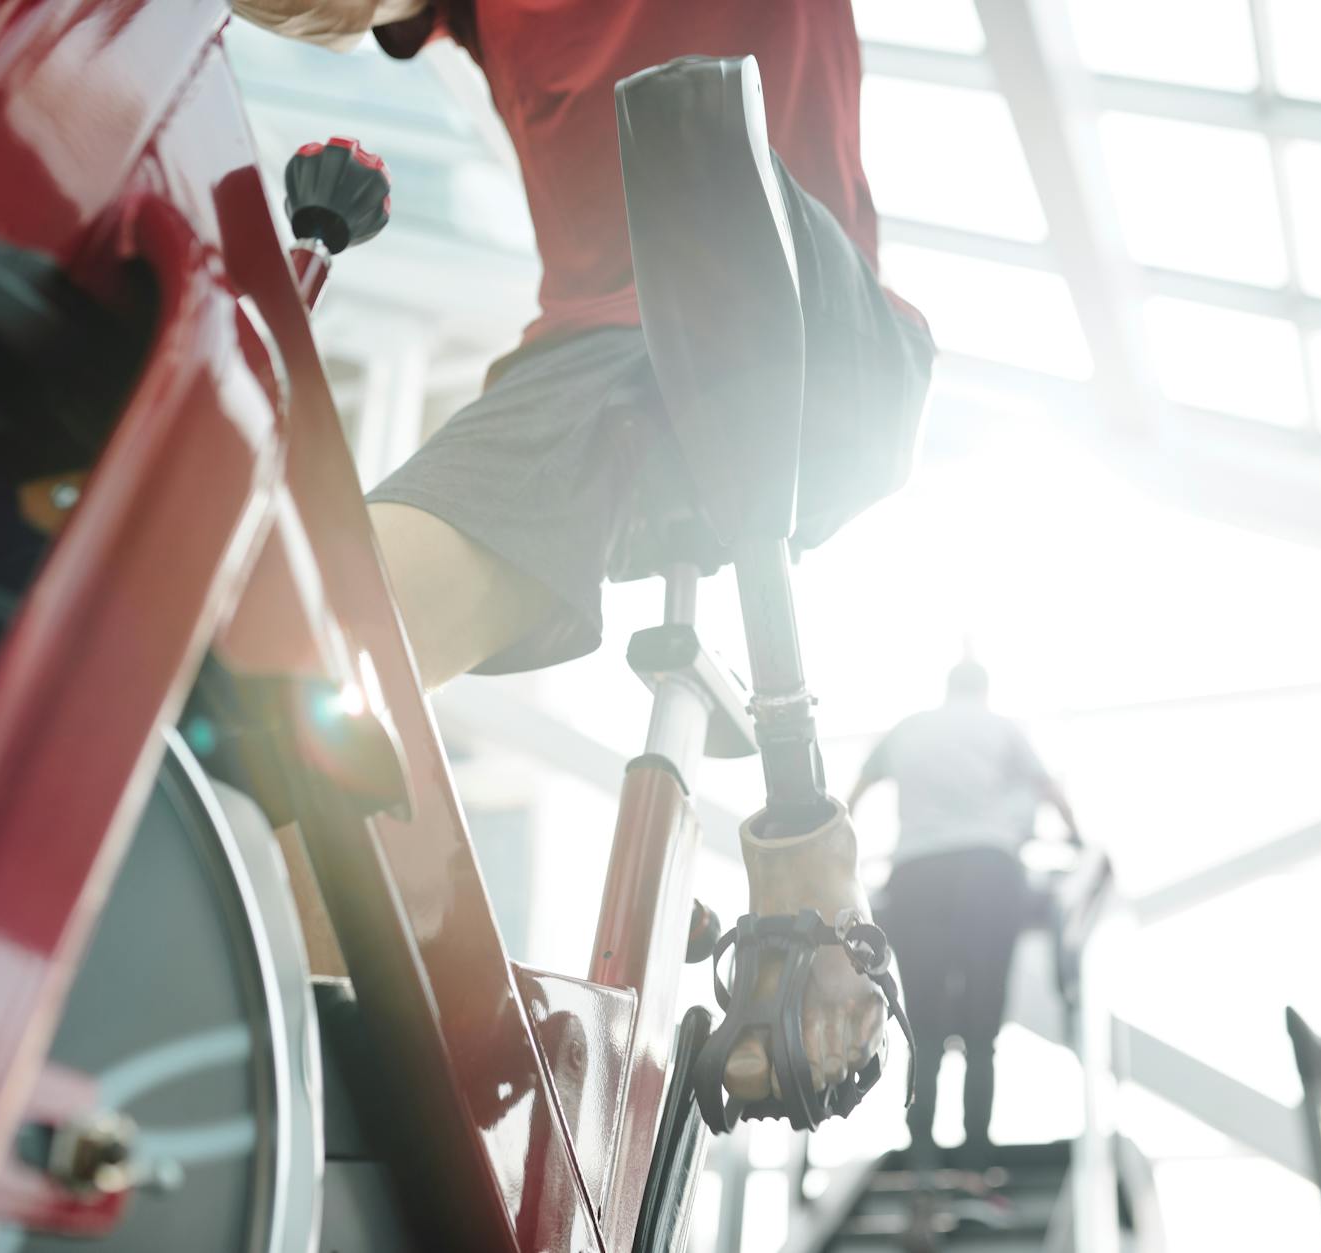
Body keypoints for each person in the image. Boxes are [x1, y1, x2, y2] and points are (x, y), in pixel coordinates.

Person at [230, 0, 935, 1108]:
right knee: (285, 663)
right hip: (589, 365)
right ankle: (326, 1079)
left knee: (698, 145)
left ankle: (818, 880)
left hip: (808, 330)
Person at [847, 660, 1078, 1166]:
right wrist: (1077, 840)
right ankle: (976, 1150)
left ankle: (921, 1148)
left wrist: (842, 854)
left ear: (948, 687)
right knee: (981, 1024)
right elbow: (1048, 790)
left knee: (924, 1024)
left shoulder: (910, 727)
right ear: (984, 689)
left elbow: (858, 792)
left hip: (916, 873)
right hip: (989, 872)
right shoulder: (1000, 728)